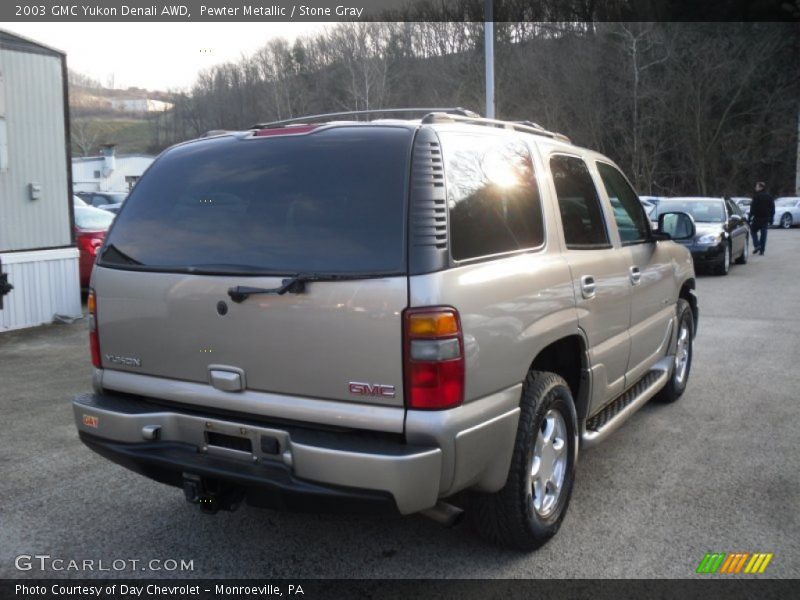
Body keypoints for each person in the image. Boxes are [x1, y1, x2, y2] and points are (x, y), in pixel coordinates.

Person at [749, 181, 775, 255]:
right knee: (764, 234)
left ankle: (757, 245)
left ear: (761, 188)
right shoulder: (769, 197)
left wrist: (750, 217)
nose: (755, 188)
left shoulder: (756, 196)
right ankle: (762, 250)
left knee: (753, 231)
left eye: (756, 186)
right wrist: (771, 218)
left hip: (757, 218)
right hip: (766, 219)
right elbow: (772, 208)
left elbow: (752, 208)